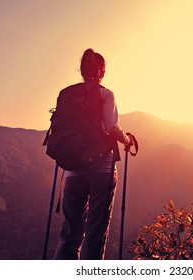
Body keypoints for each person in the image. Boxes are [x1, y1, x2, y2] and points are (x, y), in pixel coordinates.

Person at [53, 48, 133, 260]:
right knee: (96, 232)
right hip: (102, 169)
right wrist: (128, 140)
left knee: (70, 232)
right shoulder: (105, 94)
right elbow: (111, 128)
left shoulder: (67, 94)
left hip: (72, 170)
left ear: (81, 71)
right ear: (103, 71)